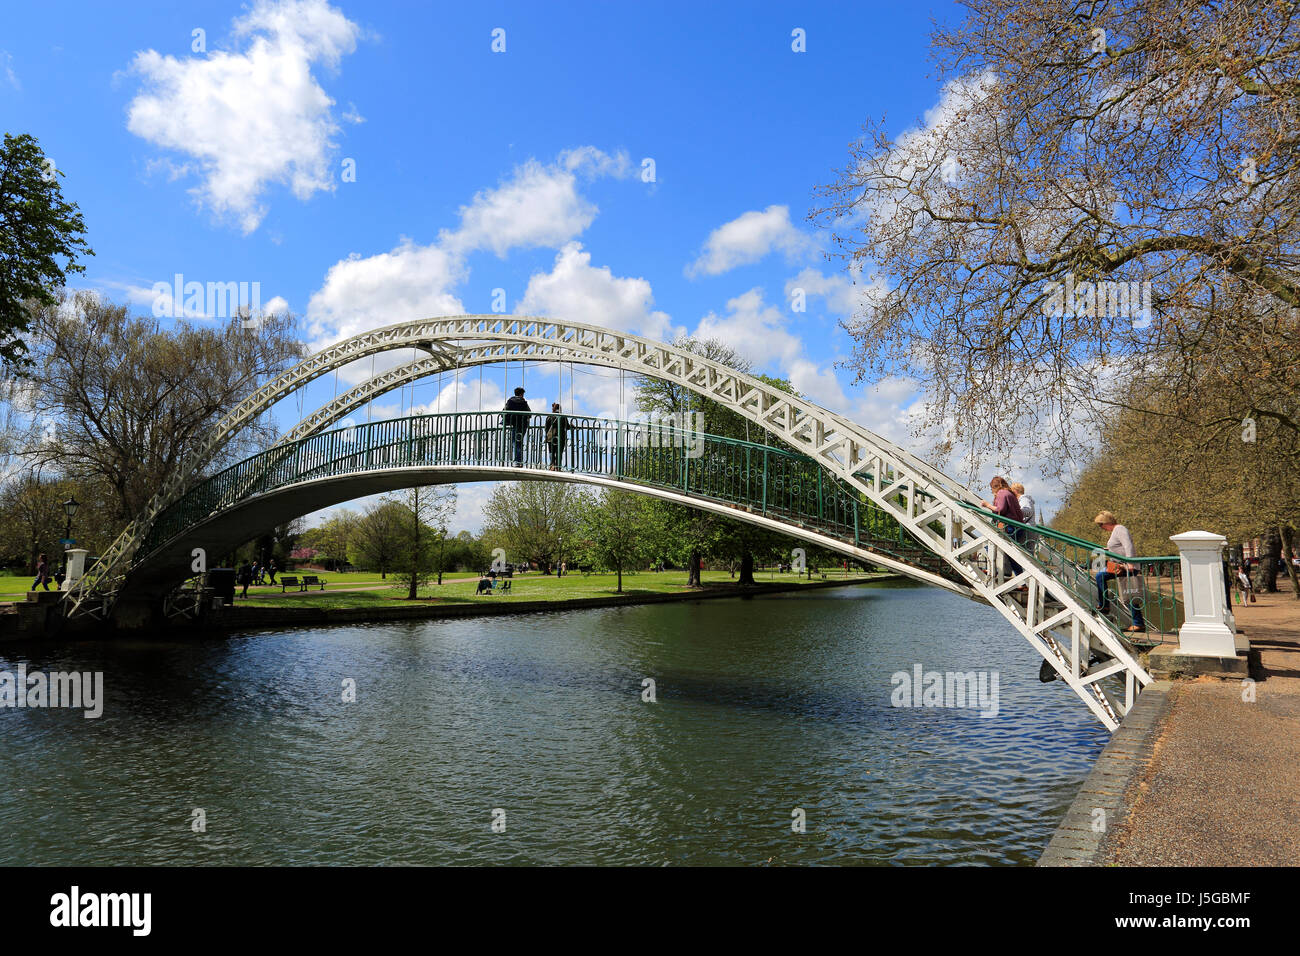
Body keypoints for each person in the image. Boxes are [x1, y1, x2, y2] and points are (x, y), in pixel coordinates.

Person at [1093, 510, 1146, 633]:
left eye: (1100, 525)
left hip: (1126, 566)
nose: (1101, 528)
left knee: (1128, 593)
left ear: (1106, 522)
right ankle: (1137, 622)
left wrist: (1130, 562)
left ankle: (1106, 605)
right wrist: (1108, 549)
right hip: (1119, 566)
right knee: (1127, 592)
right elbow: (1119, 546)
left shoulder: (1120, 529)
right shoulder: (1115, 531)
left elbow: (1128, 545)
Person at [980, 476, 1025, 577]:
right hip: (1018, 527)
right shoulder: (1010, 493)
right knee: (1011, 555)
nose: (992, 491)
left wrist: (987, 505)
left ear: (994, 487)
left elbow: (1000, 509)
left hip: (1010, 527)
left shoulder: (1001, 493)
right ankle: (1022, 580)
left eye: (992, 489)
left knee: (989, 546)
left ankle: (993, 569)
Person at [503, 387, 531, 466]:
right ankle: (519, 461)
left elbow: (504, 411)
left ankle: (517, 461)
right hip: (523, 425)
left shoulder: (510, 401)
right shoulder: (524, 402)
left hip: (515, 424)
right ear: (521, 394)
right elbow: (529, 413)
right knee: (519, 442)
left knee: (515, 443)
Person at [544, 402, 568, 470]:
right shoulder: (563, 417)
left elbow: (546, 428)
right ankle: (558, 466)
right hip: (561, 438)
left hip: (551, 437)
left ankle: (552, 465)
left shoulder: (549, 417)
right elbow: (567, 426)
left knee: (551, 451)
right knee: (559, 452)